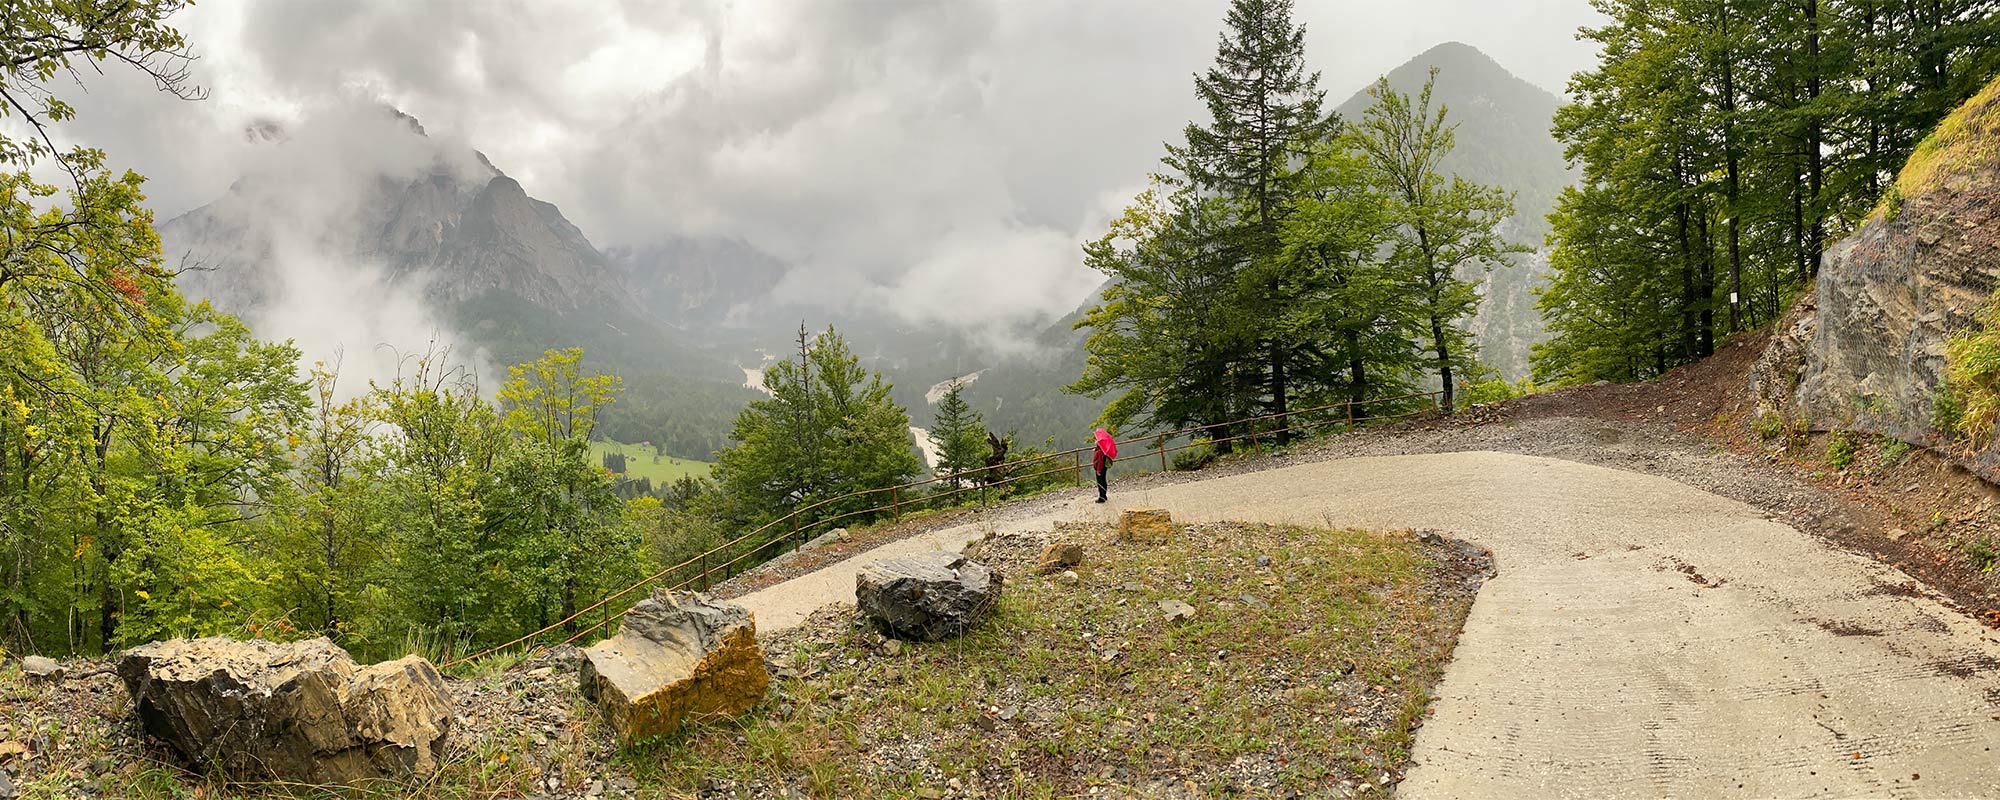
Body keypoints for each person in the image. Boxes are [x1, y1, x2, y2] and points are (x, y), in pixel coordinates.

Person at [1092, 427, 1117, 503]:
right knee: (1103, 480)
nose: (1095, 440)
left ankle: (1101, 498)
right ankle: (1104, 495)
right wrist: (1095, 449)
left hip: (1100, 468)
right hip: (1104, 467)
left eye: (1096, 440)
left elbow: (1100, 461)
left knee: (1100, 482)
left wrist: (1098, 470)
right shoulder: (1102, 449)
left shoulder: (1100, 451)